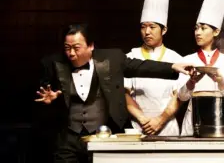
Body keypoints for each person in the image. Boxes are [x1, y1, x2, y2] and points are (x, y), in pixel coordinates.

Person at [34, 23, 193, 163]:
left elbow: (140, 66)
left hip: (103, 136)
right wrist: (51, 101)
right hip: (67, 138)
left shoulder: (111, 58)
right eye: (67, 48)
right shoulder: (52, 63)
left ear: (90, 46)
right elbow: (40, 98)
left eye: (76, 48)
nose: (71, 54)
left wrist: (172, 67)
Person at [178, 0, 224, 136]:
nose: (198, 32)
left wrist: (221, 81)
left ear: (216, 31)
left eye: (203, 28)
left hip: (220, 118)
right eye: (196, 28)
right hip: (193, 118)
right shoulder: (186, 60)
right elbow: (181, 96)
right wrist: (191, 83)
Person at [124, 0, 185, 136]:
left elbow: (179, 96)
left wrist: (160, 120)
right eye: (143, 27)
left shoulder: (176, 59)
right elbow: (124, 94)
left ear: (164, 30)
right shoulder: (130, 57)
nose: (147, 32)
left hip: (167, 126)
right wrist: (142, 119)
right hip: (139, 127)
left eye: (152, 27)